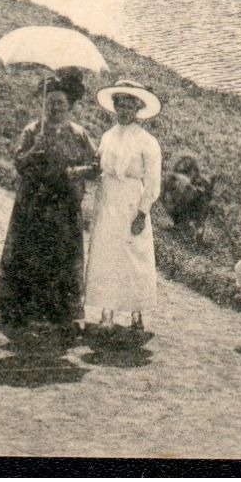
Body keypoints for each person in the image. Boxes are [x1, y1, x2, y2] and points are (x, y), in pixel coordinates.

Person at [0, 71, 98, 329]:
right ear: (44, 105)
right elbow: (18, 164)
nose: (55, 107)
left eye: (61, 103)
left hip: (64, 206)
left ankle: (57, 312)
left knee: (60, 254)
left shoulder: (79, 134)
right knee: (30, 252)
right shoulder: (32, 131)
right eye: (51, 103)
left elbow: (96, 164)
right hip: (33, 203)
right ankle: (22, 309)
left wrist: (78, 172)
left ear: (70, 106)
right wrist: (33, 149)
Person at [84, 80, 164, 332]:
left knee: (132, 255)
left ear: (138, 108)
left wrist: (142, 212)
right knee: (106, 254)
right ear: (115, 107)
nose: (124, 111)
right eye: (120, 105)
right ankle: (106, 312)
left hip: (131, 200)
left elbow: (152, 181)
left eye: (130, 106)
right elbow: (98, 166)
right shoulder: (108, 136)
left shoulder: (147, 141)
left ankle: (134, 313)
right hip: (108, 199)